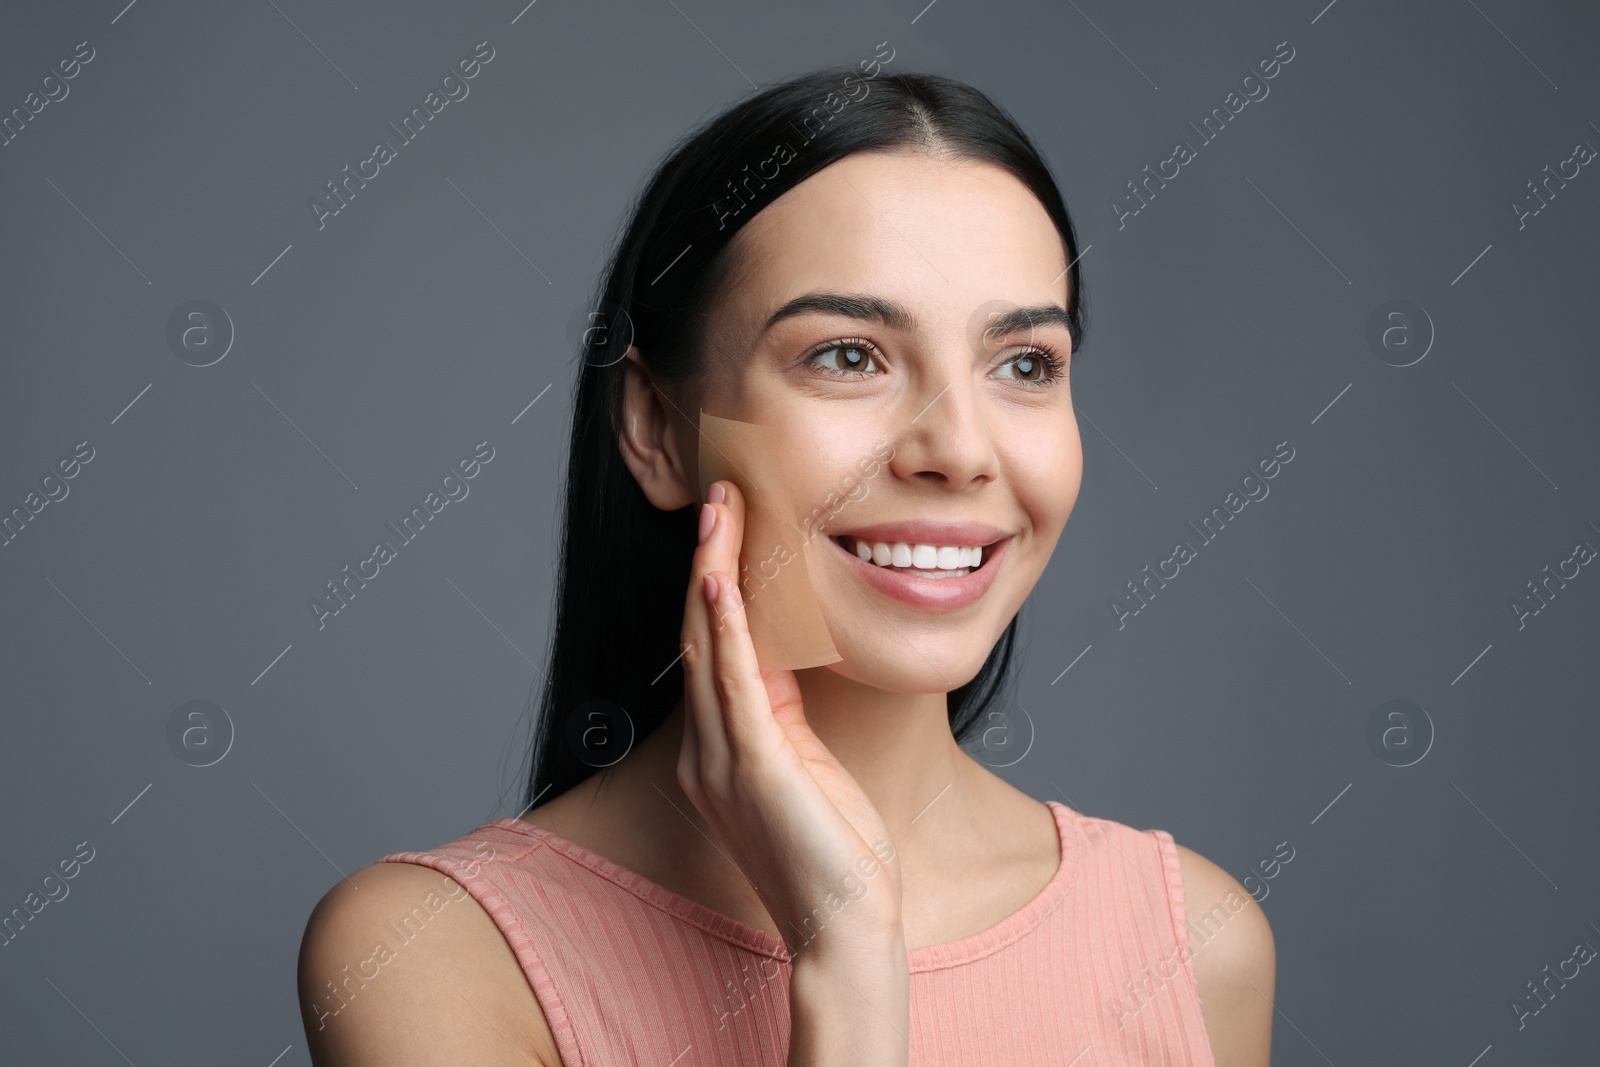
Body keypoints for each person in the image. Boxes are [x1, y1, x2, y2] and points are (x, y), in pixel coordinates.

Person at [297, 63, 1275, 1066]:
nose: (961, 449)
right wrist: (846, 953)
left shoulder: (1193, 944)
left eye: (1024, 364)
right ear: (656, 426)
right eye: (849, 355)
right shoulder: (430, 952)